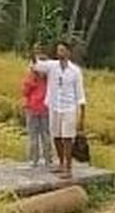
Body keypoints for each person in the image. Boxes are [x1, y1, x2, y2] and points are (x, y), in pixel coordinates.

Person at [30, 42, 86, 179]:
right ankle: (61, 163)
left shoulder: (75, 71)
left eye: (62, 50)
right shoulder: (52, 66)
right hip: (54, 106)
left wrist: (82, 117)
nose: (59, 52)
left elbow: (80, 94)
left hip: (69, 107)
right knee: (56, 136)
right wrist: (33, 52)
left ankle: (68, 167)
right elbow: (35, 65)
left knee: (67, 138)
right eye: (58, 50)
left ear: (68, 53)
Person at [21, 63, 54, 168]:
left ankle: (38, 159)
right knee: (42, 134)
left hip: (36, 108)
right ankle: (44, 158)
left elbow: (25, 92)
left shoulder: (34, 80)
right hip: (40, 109)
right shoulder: (45, 81)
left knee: (36, 135)